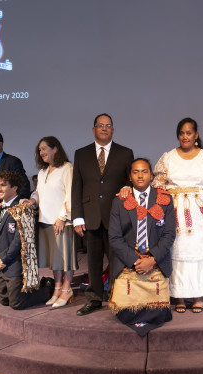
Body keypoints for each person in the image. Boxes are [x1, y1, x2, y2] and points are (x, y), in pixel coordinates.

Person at [153, 117, 203, 313]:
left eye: (189, 133)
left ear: (196, 135)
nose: (185, 136)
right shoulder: (167, 157)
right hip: (174, 212)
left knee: (199, 253)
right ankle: (179, 296)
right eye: (182, 133)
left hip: (201, 213)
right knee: (177, 253)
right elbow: (158, 185)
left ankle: (199, 296)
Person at [71, 113, 134, 316]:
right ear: (94, 129)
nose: (104, 128)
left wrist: (128, 186)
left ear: (113, 130)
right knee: (93, 262)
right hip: (90, 217)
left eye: (108, 125)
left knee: (117, 261)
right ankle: (94, 300)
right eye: (100, 125)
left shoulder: (125, 153)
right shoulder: (81, 154)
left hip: (116, 217)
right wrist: (77, 217)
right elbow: (76, 187)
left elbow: (131, 181)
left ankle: (117, 298)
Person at [108, 158, 176, 335]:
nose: (140, 175)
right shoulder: (119, 201)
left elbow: (169, 234)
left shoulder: (165, 199)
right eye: (135, 172)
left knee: (158, 313)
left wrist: (152, 259)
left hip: (155, 261)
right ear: (130, 177)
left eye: (144, 171)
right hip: (129, 260)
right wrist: (135, 260)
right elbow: (114, 237)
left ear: (151, 175)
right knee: (125, 313)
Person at [22, 136, 78, 308]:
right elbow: (38, 193)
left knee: (65, 258)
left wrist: (62, 217)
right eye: (40, 150)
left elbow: (71, 194)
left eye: (45, 148)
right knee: (55, 259)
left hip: (61, 221)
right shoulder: (43, 171)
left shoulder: (67, 168)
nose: (41, 152)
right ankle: (57, 289)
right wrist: (32, 201)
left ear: (55, 149)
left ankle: (67, 290)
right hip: (45, 221)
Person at [0, 170, 49, 309]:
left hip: (14, 265)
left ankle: (47, 288)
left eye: (3, 185)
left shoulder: (23, 209)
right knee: (5, 301)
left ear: (14, 188)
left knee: (16, 303)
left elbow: (20, 240)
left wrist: (3, 259)